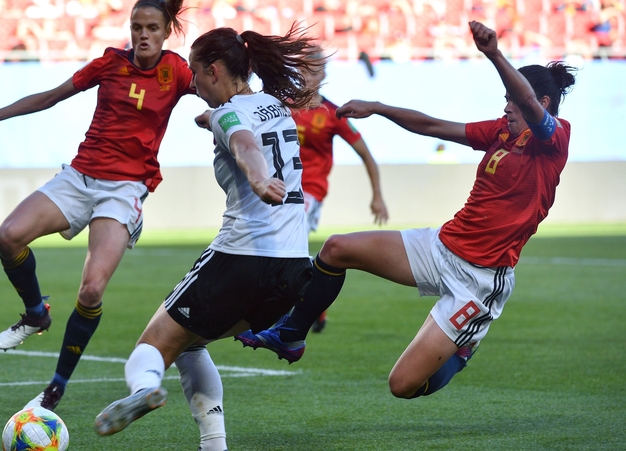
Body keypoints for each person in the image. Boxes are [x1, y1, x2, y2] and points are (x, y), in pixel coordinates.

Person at [237, 20, 577, 400]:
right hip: (441, 248)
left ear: (541, 104)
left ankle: (462, 349)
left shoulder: (554, 139)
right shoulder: (501, 131)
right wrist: (378, 107)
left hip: (479, 281)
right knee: (336, 249)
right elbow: (432, 126)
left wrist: (494, 54)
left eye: (510, 100)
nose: (506, 106)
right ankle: (291, 335)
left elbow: (527, 102)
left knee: (403, 385)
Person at [92, 25, 325, 450]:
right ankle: (213, 445)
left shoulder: (227, 115)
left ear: (214, 70)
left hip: (242, 259)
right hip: (292, 269)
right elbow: (239, 125)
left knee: (155, 344)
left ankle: (143, 388)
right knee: (191, 341)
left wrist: (257, 180)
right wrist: (210, 119)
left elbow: (243, 143)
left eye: (197, 76)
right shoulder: (275, 104)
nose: (194, 86)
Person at [0, 0, 195, 411]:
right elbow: (51, 97)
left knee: (90, 290)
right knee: (8, 236)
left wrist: (244, 112)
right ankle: (36, 313)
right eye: (136, 26)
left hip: (123, 189)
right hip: (81, 176)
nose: (142, 35)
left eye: (152, 28)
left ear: (166, 31)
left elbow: (218, 90)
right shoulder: (109, 63)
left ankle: (55, 388)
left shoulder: (175, 71)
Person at [293, 51, 389, 333]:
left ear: (323, 76)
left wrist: (377, 196)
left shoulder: (333, 115)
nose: (305, 77)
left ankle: (295, 309)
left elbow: (366, 155)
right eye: (301, 70)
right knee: (285, 249)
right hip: (279, 190)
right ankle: (314, 306)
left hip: (310, 191)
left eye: (311, 71)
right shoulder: (281, 106)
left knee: (290, 243)